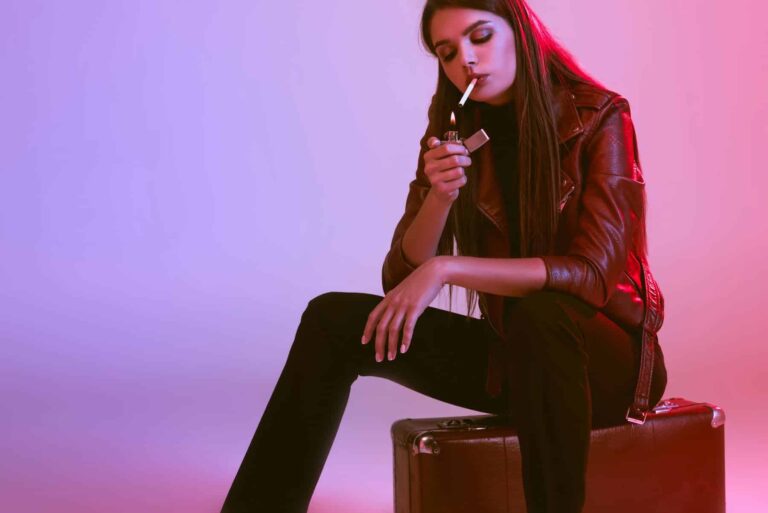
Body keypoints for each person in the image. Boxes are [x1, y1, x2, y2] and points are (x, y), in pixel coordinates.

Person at [220, 1, 668, 512]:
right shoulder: (454, 125)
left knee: (541, 314)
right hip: (514, 363)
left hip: (608, 367)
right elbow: (400, 279)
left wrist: (448, 266)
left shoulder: (601, 115)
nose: (467, 62)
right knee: (331, 319)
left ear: (519, 30)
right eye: (448, 51)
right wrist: (440, 197)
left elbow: (590, 274)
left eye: (481, 36)